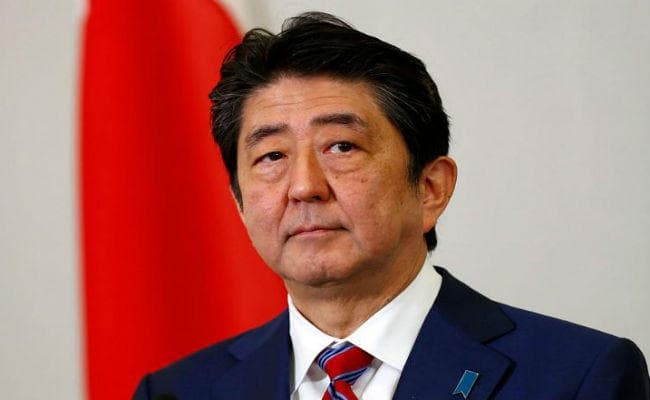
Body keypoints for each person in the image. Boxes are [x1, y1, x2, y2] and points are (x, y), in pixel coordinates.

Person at [133, 12, 649, 400]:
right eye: (271, 156)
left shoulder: (578, 377)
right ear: (240, 204)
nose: (304, 187)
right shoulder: (178, 391)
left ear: (430, 188)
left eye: (342, 146)